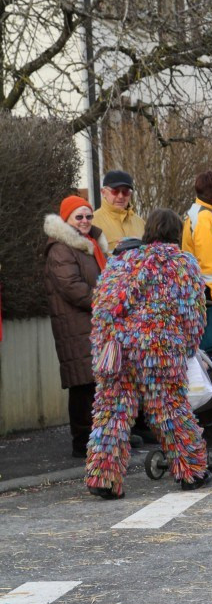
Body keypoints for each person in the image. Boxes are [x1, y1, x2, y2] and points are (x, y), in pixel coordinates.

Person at [85, 209, 211, 499]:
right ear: (177, 234)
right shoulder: (182, 263)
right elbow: (192, 312)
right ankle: (191, 471)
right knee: (168, 407)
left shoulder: (119, 261)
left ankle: (103, 478)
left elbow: (102, 307)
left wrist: (105, 346)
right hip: (159, 349)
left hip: (115, 352)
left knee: (112, 412)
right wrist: (189, 348)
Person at [43, 196, 108, 458]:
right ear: (66, 219)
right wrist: (107, 301)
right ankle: (82, 442)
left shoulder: (90, 244)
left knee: (95, 381)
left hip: (92, 322)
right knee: (82, 383)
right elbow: (71, 287)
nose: (84, 221)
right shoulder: (61, 248)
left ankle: (98, 438)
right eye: (78, 217)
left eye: (88, 216)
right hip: (76, 323)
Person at [92, 169, 145, 253]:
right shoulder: (92, 222)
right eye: (115, 191)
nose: (120, 196)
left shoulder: (141, 223)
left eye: (125, 192)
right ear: (103, 192)